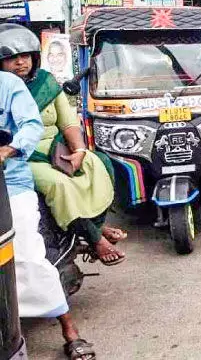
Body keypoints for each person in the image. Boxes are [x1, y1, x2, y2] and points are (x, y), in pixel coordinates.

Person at [0, 26, 125, 267]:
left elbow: (68, 123)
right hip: (24, 157)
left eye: (24, 56)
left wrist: (78, 151)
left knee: (99, 163)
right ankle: (95, 239)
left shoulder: (46, 82)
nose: (20, 63)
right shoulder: (5, 90)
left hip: (55, 149)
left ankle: (96, 225)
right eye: (11, 58)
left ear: (34, 58)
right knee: (60, 186)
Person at [0, 68, 95, 359]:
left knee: (27, 252)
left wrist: (9, 150)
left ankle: (69, 329)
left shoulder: (9, 85)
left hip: (9, 183)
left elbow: (30, 125)